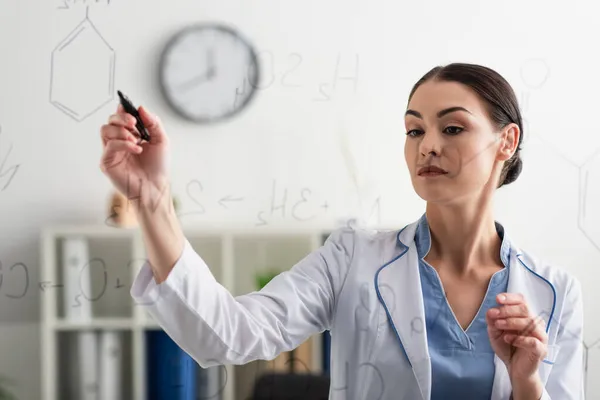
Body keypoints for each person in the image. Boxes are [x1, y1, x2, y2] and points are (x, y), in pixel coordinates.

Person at [99, 62, 585, 400]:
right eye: (415, 131)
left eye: (452, 129)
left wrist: (527, 383)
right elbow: (227, 335)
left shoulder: (554, 292)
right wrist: (152, 198)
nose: (427, 147)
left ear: (507, 140)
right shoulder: (354, 258)